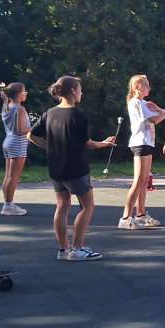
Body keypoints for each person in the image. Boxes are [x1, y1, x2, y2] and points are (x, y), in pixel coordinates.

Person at [28, 76, 116, 262]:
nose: (82, 92)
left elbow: (31, 135)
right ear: (73, 91)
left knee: (62, 206)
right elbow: (88, 144)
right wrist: (104, 144)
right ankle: (77, 249)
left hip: (56, 167)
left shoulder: (50, 113)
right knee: (87, 206)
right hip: (76, 167)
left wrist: (50, 148)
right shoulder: (78, 116)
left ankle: (63, 249)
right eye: (80, 89)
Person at [120, 75, 165, 230]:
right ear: (137, 87)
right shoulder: (136, 102)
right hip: (140, 143)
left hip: (148, 143)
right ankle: (125, 218)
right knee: (138, 181)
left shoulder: (144, 104)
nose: (149, 88)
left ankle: (141, 215)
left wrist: (159, 109)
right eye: (146, 85)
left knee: (144, 181)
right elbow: (155, 120)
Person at [0, 82, 31, 216]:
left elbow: (6, 104)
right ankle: (8, 207)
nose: (26, 93)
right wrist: (37, 128)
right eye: (24, 92)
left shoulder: (6, 106)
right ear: (18, 95)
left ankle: (8, 205)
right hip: (17, 143)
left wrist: (5, 100)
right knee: (13, 176)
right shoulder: (20, 109)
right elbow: (21, 129)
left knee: (8, 176)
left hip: (8, 141)